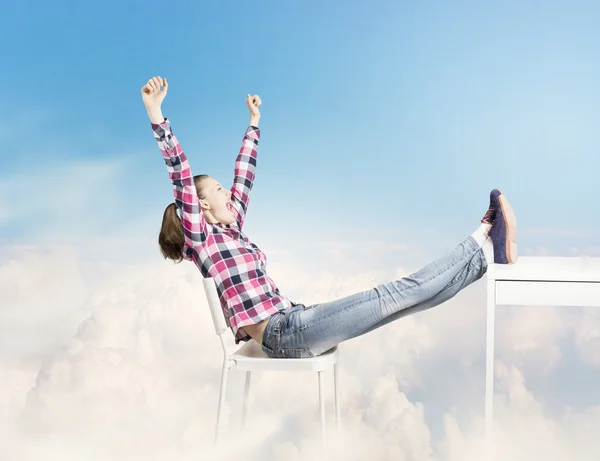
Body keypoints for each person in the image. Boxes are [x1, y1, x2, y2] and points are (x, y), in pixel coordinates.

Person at [141, 75, 518, 359]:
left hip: (295, 321)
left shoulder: (231, 229)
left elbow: (245, 176)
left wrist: (254, 123)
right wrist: (155, 113)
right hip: (285, 334)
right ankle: (483, 233)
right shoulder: (203, 239)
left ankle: (484, 256)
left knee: (407, 301)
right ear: (201, 206)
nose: (228, 193)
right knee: (395, 293)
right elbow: (179, 173)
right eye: (219, 191)